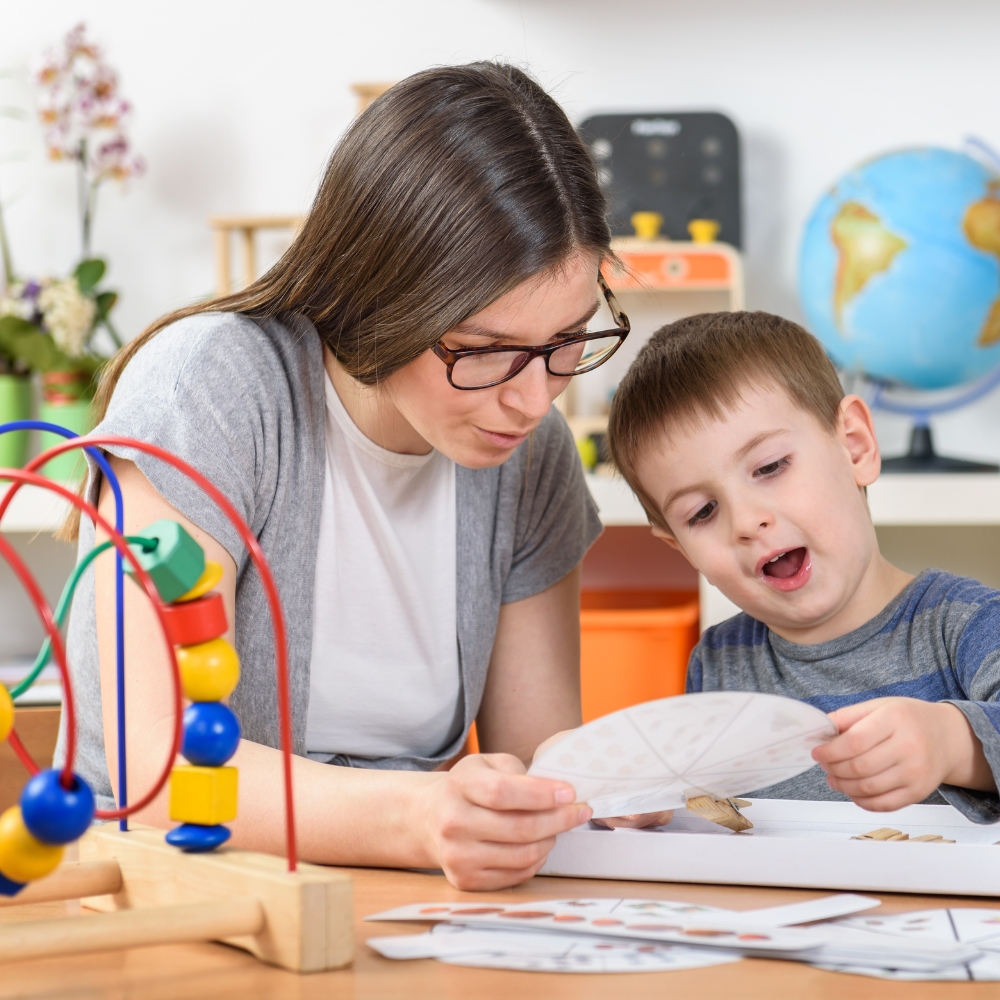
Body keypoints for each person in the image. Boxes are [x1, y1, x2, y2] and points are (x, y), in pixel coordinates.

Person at [58, 62, 636, 889]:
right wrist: (419, 815)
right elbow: (161, 769)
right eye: (485, 351)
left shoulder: (528, 457)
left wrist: (599, 793)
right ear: (382, 298)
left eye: (566, 342)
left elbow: (537, 761)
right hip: (168, 896)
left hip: (402, 908)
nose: (534, 399)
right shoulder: (212, 388)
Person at [605, 310, 1000, 824]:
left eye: (770, 467)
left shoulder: (969, 623)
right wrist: (646, 803)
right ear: (680, 549)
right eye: (702, 512)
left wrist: (951, 742)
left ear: (855, 445)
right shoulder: (721, 663)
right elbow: (715, 818)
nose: (747, 522)